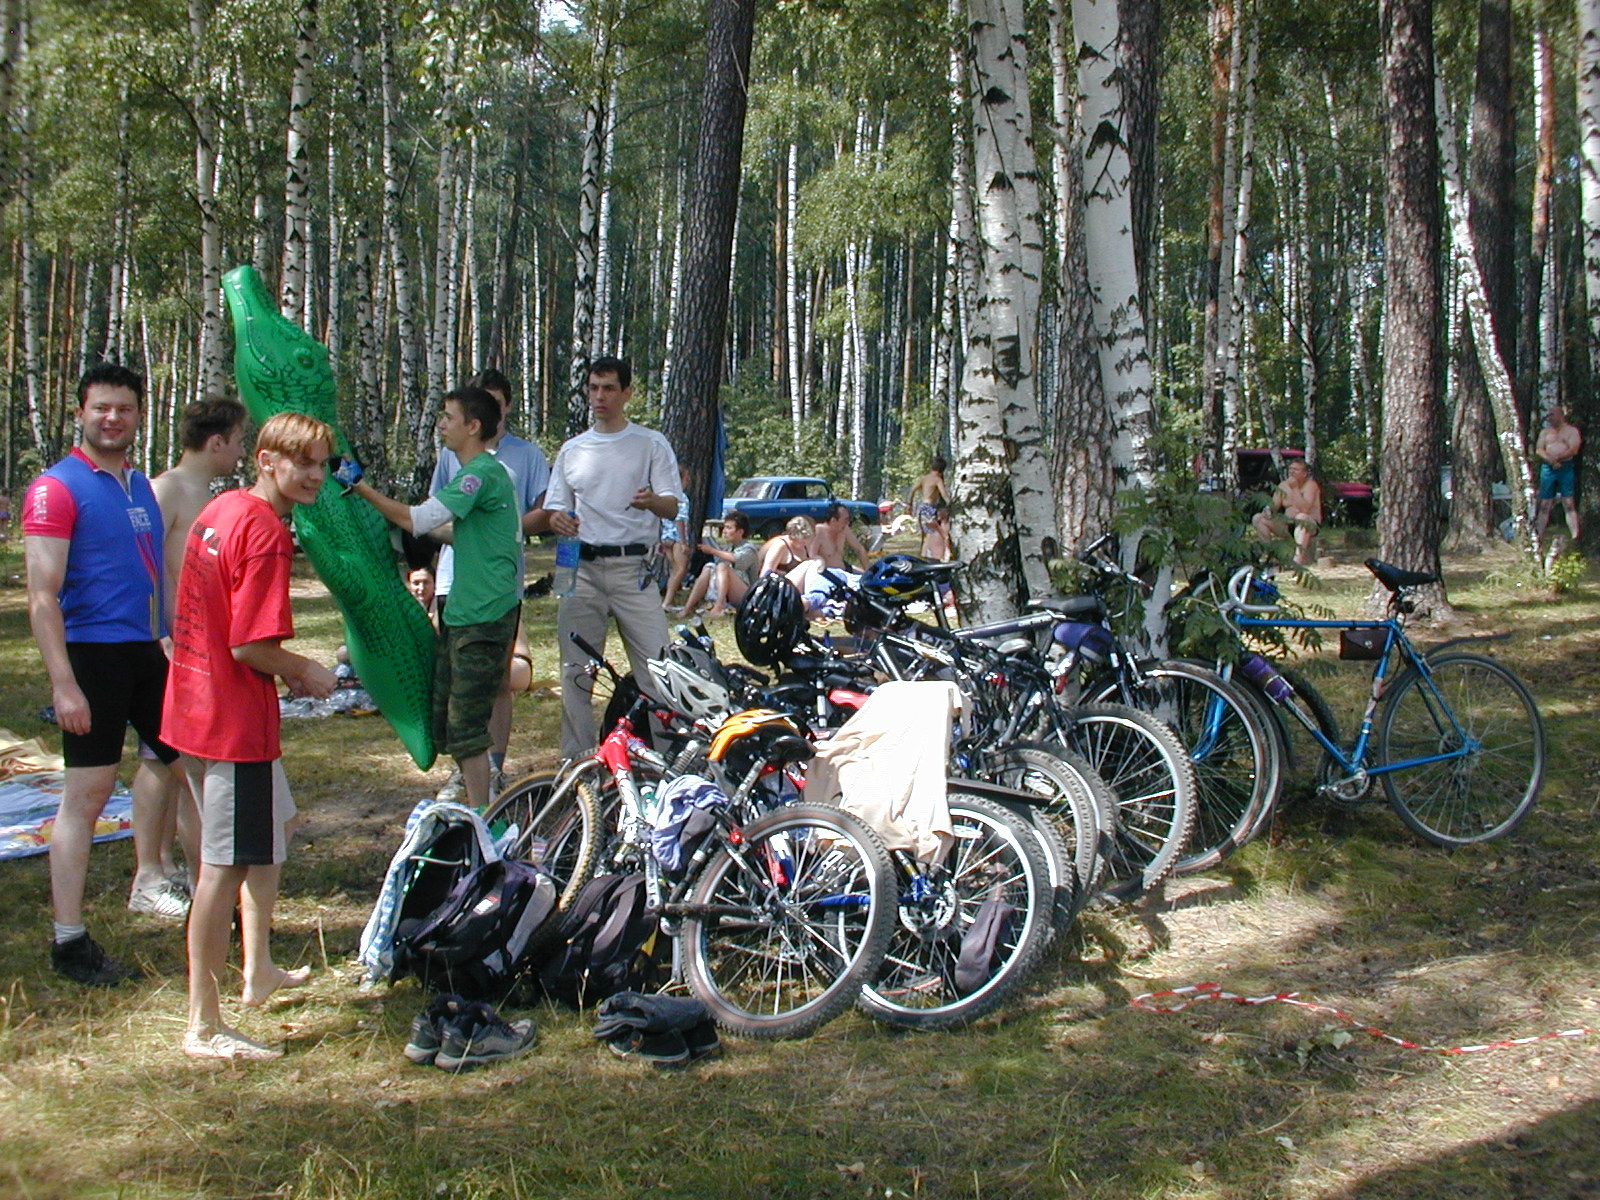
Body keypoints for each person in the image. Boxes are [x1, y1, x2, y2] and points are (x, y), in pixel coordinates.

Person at [161, 412, 338, 1060]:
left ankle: (258, 969)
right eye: (303, 463)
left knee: (275, 828)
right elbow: (249, 645)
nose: (315, 475)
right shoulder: (265, 532)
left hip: (191, 706)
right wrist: (304, 669)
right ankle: (204, 1026)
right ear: (266, 460)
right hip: (231, 724)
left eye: (322, 464)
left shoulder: (223, 507)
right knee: (221, 868)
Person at [24, 363, 189, 987]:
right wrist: (63, 683)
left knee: (194, 770)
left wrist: (174, 640)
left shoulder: (139, 485)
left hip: (148, 654)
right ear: (81, 414)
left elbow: (156, 573)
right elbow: (42, 595)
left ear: (139, 415)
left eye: (124, 408)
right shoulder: (56, 487)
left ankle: (216, 900)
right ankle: (69, 941)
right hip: (93, 657)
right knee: (87, 797)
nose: (112, 418)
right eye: (101, 408)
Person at [351, 387, 523, 809]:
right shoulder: (480, 475)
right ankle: (475, 804)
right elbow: (453, 530)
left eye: (448, 417)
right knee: (449, 720)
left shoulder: (479, 474)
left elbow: (420, 518)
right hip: (466, 612)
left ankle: (482, 818)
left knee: (466, 728)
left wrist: (359, 488)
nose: (441, 424)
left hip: (484, 617)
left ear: (473, 426)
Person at [540, 356, 682, 758]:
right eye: (593, 388)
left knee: (658, 669)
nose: (599, 397)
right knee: (576, 673)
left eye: (608, 388)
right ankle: (578, 765)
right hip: (581, 569)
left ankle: (669, 764)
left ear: (626, 393)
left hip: (632, 571)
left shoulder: (650, 443)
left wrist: (652, 501)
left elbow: (673, 505)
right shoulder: (573, 450)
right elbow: (555, 508)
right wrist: (558, 520)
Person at [428, 368, 550, 794]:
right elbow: (435, 511)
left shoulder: (526, 456)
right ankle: (463, 768)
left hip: (497, 582)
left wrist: (497, 531)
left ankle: (493, 767)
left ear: (506, 407)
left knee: (495, 678)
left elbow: (544, 511)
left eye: (495, 403)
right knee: (453, 677)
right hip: (453, 577)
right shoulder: (452, 454)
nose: (485, 413)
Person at [150, 396, 249, 891]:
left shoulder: (211, 498)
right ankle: (153, 869)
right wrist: (159, 633)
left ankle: (197, 875)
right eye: (238, 441)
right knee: (160, 762)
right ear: (215, 442)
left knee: (189, 771)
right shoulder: (166, 490)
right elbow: (143, 569)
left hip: (198, 652)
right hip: (167, 647)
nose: (241, 452)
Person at [678, 511, 759, 618]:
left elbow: (736, 558)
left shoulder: (749, 549)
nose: (724, 531)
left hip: (747, 595)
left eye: (729, 528)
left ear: (740, 532)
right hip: (731, 592)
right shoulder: (729, 548)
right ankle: (687, 608)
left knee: (722, 566)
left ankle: (719, 606)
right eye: (724, 527)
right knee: (708, 567)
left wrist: (712, 550)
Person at [1251, 459, 1323, 567]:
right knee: (1258, 518)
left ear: (1304, 473)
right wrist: (1267, 511)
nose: (1292, 472)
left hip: (1308, 524)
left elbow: (1305, 509)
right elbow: (1274, 506)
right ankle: (1269, 553)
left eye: (1296, 469)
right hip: (1287, 524)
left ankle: (1297, 560)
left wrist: (1295, 488)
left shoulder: (1311, 485)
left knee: (1302, 517)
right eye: (1290, 469)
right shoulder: (1283, 485)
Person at [1534, 405, 1582, 543]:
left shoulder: (1571, 431)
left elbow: (1574, 449)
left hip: (1565, 467)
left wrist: (1559, 458)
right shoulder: (1545, 432)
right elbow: (1539, 449)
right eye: (1549, 415)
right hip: (1548, 468)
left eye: (1553, 415)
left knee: (1568, 502)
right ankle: (1538, 537)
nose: (1550, 418)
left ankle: (1575, 536)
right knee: (1545, 503)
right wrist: (1551, 460)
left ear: (1561, 415)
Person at [911, 456, 952, 561]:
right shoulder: (937, 479)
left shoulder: (924, 478)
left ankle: (924, 556)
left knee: (925, 534)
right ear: (942, 471)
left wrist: (909, 504)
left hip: (922, 507)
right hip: (930, 507)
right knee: (933, 532)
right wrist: (951, 504)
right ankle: (933, 556)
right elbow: (944, 494)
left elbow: (912, 490)